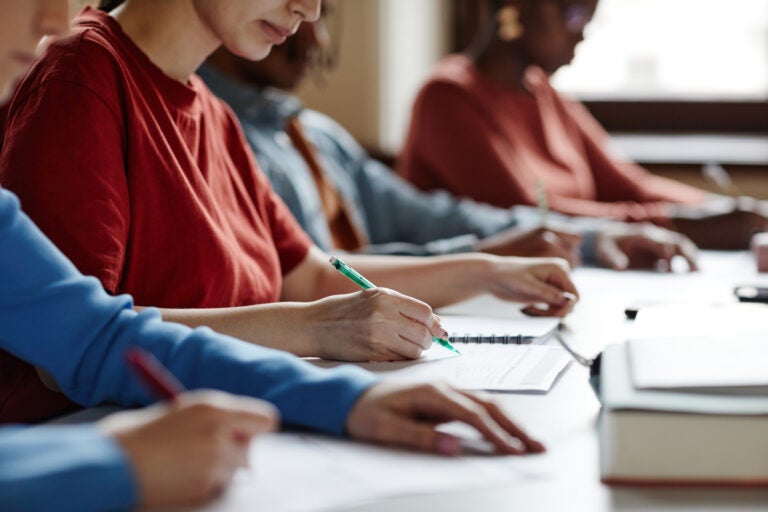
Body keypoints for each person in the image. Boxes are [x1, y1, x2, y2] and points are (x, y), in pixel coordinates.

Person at [0, 2, 543, 509]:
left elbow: (302, 273)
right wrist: (311, 331)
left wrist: (345, 399)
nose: (309, 10)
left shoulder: (215, 114)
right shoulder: (78, 77)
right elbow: (73, 352)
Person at [200, 0, 699, 271]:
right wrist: (480, 258)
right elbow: (311, 275)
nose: (315, 33)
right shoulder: (216, 134)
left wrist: (590, 239)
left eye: (324, 13)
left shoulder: (315, 134)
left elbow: (432, 216)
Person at [399, 0, 768, 250]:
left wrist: (733, 209)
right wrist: (683, 224)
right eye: (574, 14)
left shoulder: (546, 94)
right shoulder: (447, 97)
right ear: (519, 7)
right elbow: (528, 217)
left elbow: (629, 184)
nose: (582, 33)